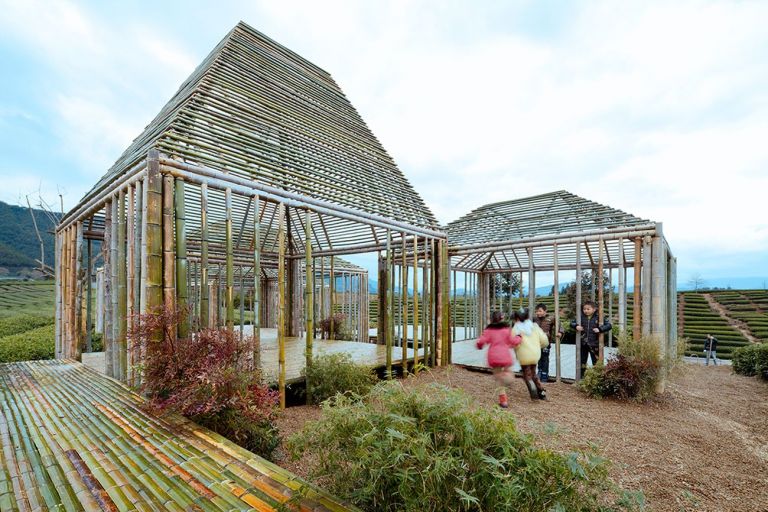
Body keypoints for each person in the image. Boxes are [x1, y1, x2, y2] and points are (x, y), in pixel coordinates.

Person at [476, 311, 521, 408]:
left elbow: (481, 342)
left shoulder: (489, 330)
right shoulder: (506, 330)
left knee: (498, 379)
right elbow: (513, 341)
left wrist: (479, 345)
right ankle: (508, 379)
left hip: (493, 357)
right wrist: (519, 338)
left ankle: (503, 401)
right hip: (505, 356)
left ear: (492, 320)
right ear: (502, 319)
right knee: (508, 372)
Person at [512, 308, 549, 400]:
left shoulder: (516, 328)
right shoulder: (534, 326)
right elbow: (544, 340)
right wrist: (538, 346)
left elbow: (513, 342)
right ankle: (542, 392)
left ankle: (534, 393)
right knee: (533, 373)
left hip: (524, 355)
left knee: (527, 374)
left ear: (516, 318)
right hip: (535, 354)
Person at [570, 300, 612, 376]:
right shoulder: (581, 317)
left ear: (594, 309)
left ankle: (596, 379)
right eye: (584, 309)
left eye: (588, 309)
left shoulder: (599, 317)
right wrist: (576, 326)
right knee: (582, 362)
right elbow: (572, 323)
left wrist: (600, 329)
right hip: (583, 344)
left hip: (595, 344)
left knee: (596, 363)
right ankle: (582, 379)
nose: (586, 311)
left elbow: (609, 325)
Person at [533, 303, 563, 382]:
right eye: (537, 311)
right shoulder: (534, 319)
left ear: (545, 311)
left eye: (540, 311)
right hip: (536, 342)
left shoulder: (551, 318)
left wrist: (560, 332)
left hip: (546, 342)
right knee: (538, 358)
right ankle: (539, 372)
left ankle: (545, 374)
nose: (538, 313)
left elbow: (560, 325)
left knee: (545, 358)